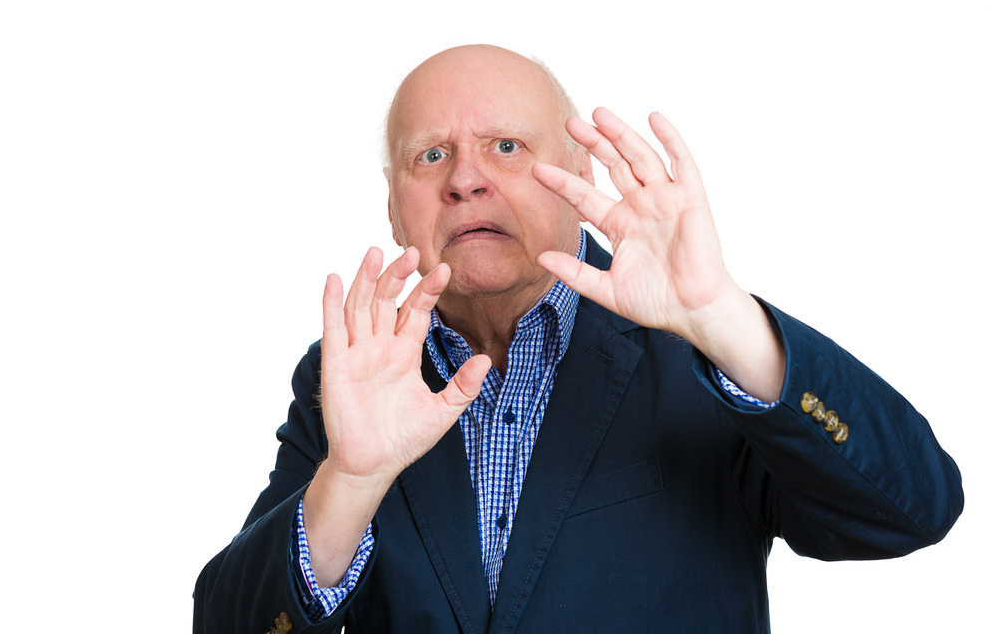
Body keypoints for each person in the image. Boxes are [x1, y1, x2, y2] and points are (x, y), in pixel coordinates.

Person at [194, 45, 963, 633]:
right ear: (396, 210)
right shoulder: (356, 371)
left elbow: (912, 510)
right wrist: (349, 484)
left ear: (579, 172)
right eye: (431, 155)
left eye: (506, 147)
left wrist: (726, 318)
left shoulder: (698, 348)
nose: (465, 180)